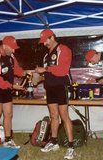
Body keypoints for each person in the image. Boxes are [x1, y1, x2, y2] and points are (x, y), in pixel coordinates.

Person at [35, 29, 75, 159]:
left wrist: (45, 69)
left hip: (61, 86)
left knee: (64, 115)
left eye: (45, 40)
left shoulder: (64, 49)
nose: (44, 43)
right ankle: (53, 141)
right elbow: (48, 74)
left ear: (51, 37)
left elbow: (62, 70)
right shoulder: (46, 56)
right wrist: (38, 77)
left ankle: (70, 147)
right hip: (50, 88)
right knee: (53, 115)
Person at [0, 36, 25, 148]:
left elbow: (16, 69)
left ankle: (8, 140)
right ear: (5, 46)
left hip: (7, 88)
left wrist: (24, 74)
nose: (14, 51)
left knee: (8, 114)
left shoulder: (10, 55)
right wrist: (12, 86)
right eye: (12, 48)